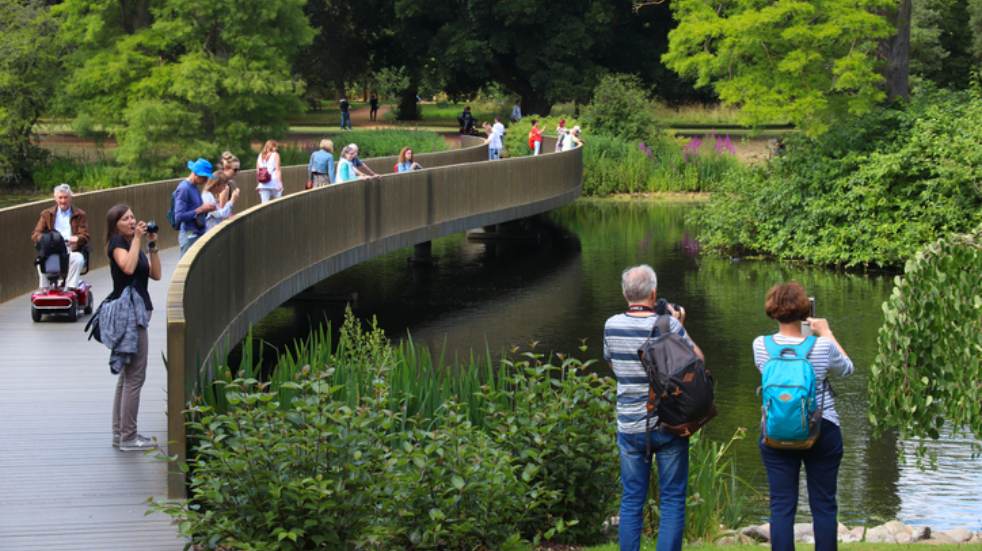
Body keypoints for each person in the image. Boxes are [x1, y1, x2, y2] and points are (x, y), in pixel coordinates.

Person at [603, 265, 705, 551]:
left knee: (632, 498)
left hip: (630, 425)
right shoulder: (668, 325)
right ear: (654, 293)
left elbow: (614, 365)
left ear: (625, 294)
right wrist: (679, 324)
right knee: (672, 498)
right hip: (668, 422)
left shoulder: (611, 324)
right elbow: (697, 362)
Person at [754, 282, 854, 551]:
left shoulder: (760, 346)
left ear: (773, 310)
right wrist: (827, 332)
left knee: (782, 505)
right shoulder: (822, 346)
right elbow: (847, 369)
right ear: (805, 310)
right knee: (823, 504)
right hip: (822, 429)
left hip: (774, 430)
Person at [104, 203, 161, 452]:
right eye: (125, 218)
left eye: (132, 217)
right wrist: (136, 238)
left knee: (127, 377)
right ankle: (129, 436)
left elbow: (156, 274)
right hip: (129, 315)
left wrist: (152, 245)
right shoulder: (117, 243)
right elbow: (126, 268)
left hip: (138, 311)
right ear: (115, 224)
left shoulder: (135, 244)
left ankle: (120, 433)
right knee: (136, 376)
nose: (131, 221)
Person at [31, 183, 89, 289]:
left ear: (70, 198)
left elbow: (85, 235)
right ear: (55, 198)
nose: (63, 201)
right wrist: (46, 240)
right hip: (51, 250)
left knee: (79, 259)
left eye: (66, 197)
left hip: (69, 248)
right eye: (60, 198)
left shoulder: (80, 214)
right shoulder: (46, 214)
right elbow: (35, 234)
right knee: (40, 262)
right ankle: (45, 289)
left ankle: (70, 288)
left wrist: (77, 238)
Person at [173, 158, 217, 255]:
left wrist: (206, 209)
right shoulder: (184, 188)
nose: (206, 181)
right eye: (204, 177)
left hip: (197, 233)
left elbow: (197, 211)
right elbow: (179, 216)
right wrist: (201, 209)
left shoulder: (194, 187)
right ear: (196, 174)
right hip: (189, 235)